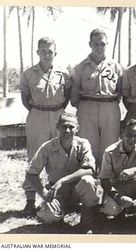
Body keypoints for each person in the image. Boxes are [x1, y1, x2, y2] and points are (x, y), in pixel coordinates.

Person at [20, 37, 72, 216]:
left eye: (50, 51)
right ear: (37, 52)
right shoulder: (28, 74)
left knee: (59, 155)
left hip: (58, 114)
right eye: (43, 51)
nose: (46, 55)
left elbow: (67, 96)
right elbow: (25, 99)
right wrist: (40, 110)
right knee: (34, 156)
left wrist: (56, 112)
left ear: (55, 53)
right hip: (37, 115)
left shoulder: (63, 73)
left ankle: (60, 197)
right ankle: (30, 199)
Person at [25, 113, 99, 233]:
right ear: (58, 127)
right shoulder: (47, 147)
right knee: (49, 217)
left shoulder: (83, 144)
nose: (67, 130)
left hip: (78, 189)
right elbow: (31, 173)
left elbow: (90, 169)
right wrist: (44, 193)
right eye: (64, 126)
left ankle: (87, 221)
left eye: (71, 127)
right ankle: (59, 215)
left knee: (87, 180)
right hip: (57, 192)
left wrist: (63, 180)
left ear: (77, 128)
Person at [70, 28, 123, 172]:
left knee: (110, 145)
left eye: (102, 44)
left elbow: (120, 91)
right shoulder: (80, 67)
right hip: (87, 108)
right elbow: (74, 97)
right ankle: (89, 179)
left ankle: (107, 182)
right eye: (96, 44)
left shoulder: (116, 67)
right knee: (88, 145)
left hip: (110, 108)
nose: (99, 47)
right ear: (90, 44)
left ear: (107, 44)